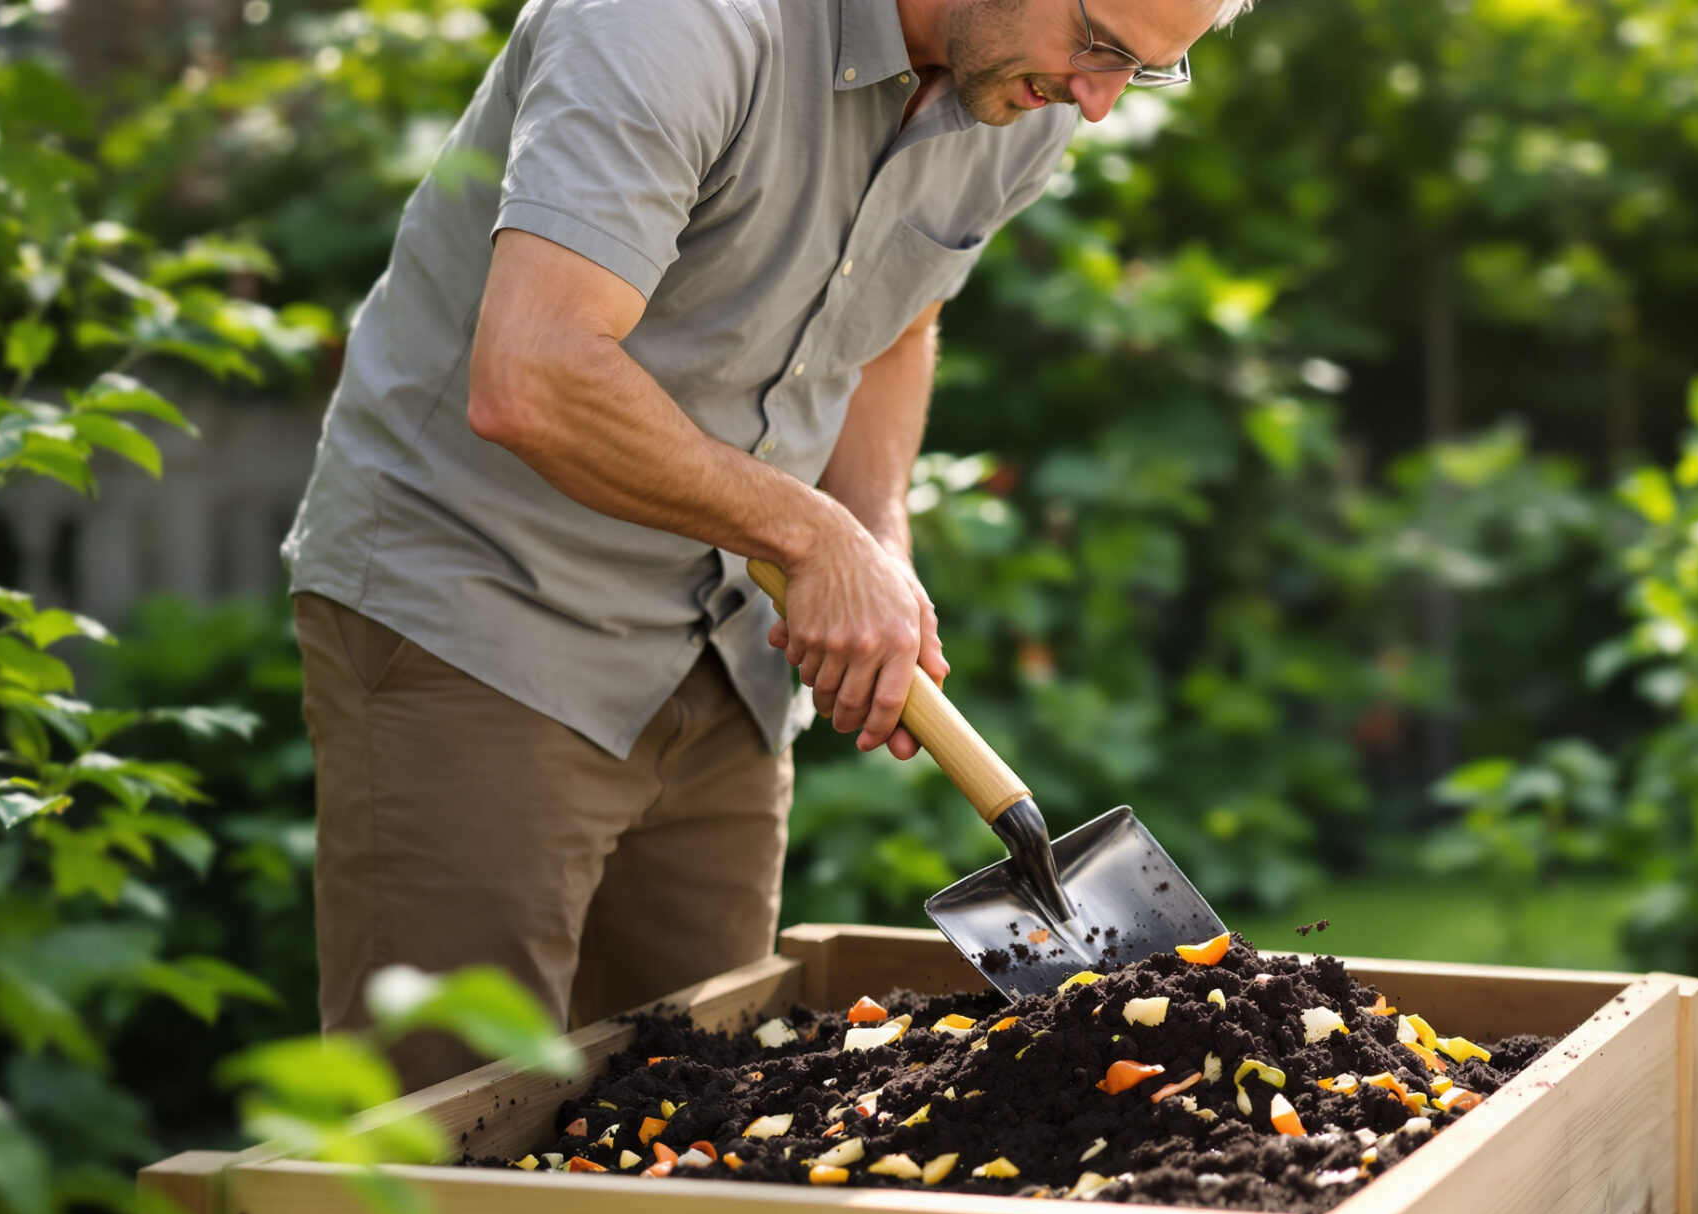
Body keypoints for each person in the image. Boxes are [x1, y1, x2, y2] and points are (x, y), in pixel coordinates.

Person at [282, 0, 1245, 1089]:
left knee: (694, 1105)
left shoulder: (1023, 82)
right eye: (1102, 42)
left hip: (727, 643)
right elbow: (534, 374)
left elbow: (896, 323)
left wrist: (874, 539)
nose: (1097, 100)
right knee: (447, 1118)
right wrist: (812, 534)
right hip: (486, 607)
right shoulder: (676, 24)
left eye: (1143, 70)